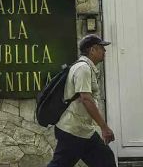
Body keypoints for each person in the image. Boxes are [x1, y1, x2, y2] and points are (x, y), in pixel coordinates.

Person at [48, 34, 117, 167]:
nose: (105, 51)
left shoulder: (85, 67)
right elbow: (86, 99)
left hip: (83, 130)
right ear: (92, 50)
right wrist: (104, 127)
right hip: (73, 131)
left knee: (106, 159)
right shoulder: (83, 68)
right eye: (102, 48)